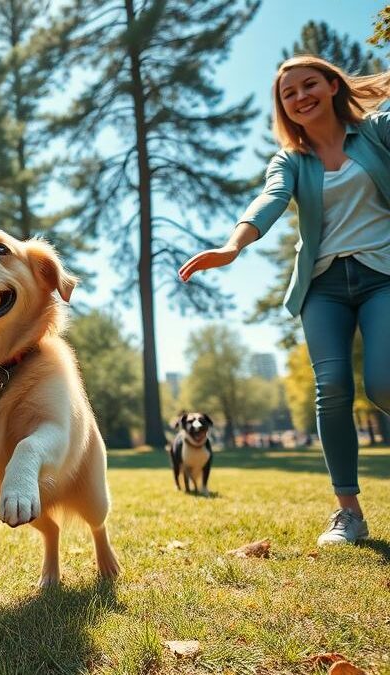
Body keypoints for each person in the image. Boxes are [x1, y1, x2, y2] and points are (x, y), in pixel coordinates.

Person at [179, 55, 390, 546]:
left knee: (383, 383)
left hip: (383, 276)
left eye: (309, 84)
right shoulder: (292, 161)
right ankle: (349, 514)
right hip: (324, 287)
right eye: (288, 93)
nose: (300, 97)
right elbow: (271, 199)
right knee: (332, 387)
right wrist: (234, 245)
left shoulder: (376, 133)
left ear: (333, 86)